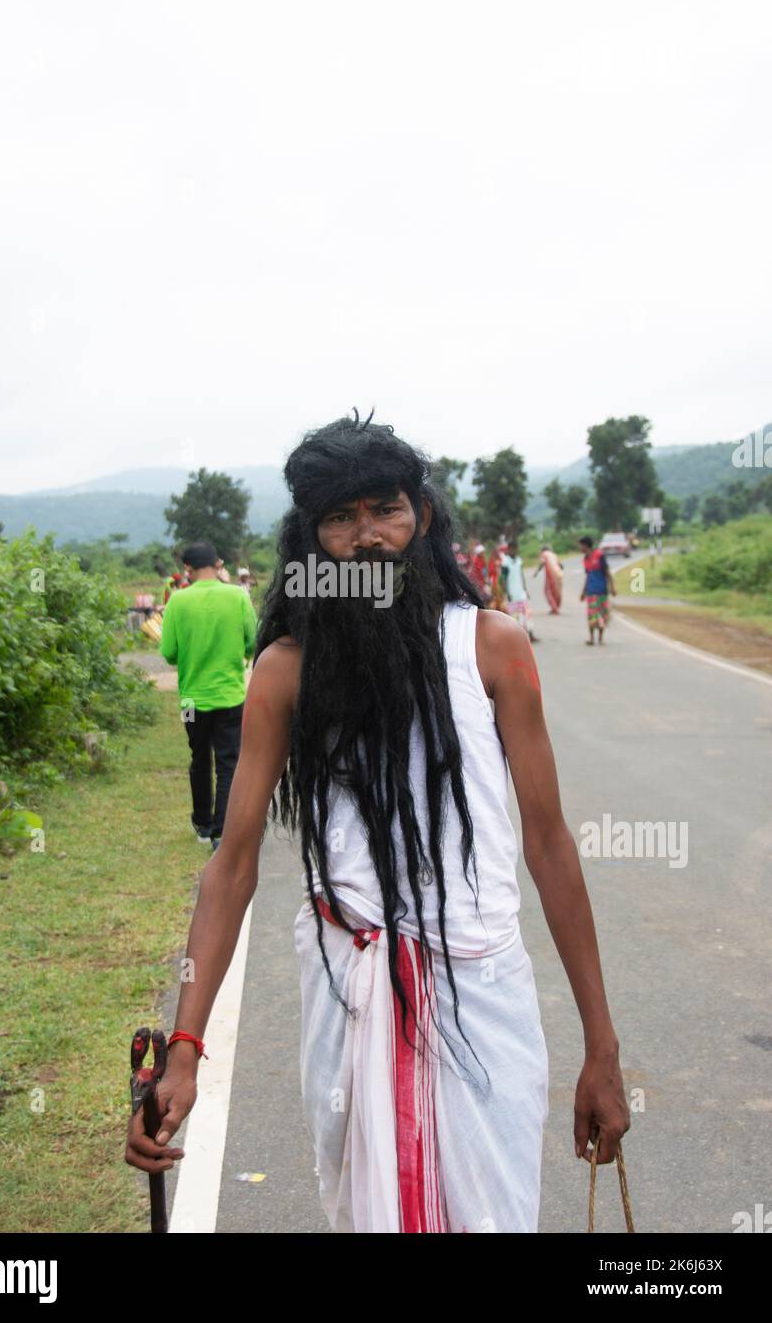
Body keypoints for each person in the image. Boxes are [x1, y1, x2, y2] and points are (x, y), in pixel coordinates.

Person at [126, 412, 630, 1233]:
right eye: (339, 517)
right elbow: (232, 863)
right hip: (347, 989)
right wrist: (185, 1045)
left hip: (483, 993)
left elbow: (549, 845)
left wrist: (602, 1050)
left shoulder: (494, 648)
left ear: (421, 517)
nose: (366, 538)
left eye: (384, 510)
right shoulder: (284, 671)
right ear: (310, 539)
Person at [159, 542, 258, 847]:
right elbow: (252, 643)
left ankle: (202, 823)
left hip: (191, 701)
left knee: (199, 758)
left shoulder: (177, 601)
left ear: (186, 568)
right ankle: (221, 831)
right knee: (229, 762)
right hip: (230, 696)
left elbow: (169, 653)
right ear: (218, 564)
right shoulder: (237, 596)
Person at [579, 536, 617, 646]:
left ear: (585, 545)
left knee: (602, 615)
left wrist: (612, 587)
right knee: (591, 615)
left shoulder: (599, 556)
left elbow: (607, 573)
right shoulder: (585, 560)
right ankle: (591, 638)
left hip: (602, 590)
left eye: (581, 545)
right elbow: (587, 576)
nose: (580, 548)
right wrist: (583, 592)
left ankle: (600, 638)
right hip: (591, 591)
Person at [500, 540, 537, 642]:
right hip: (512, 594)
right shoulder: (505, 562)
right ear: (509, 549)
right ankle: (517, 638)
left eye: (516, 549)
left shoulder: (519, 560)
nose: (515, 551)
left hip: (521, 593)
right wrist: (506, 593)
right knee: (514, 617)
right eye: (513, 549)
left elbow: (521, 575)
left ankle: (531, 634)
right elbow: (503, 579)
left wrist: (525, 589)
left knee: (527, 614)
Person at [534, 544, 564, 614]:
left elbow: (542, 563)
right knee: (557, 592)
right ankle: (556, 607)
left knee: (548, 592)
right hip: (559, 575)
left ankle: (555, 609)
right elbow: (561, 565)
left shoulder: (544, 554)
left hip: (550, 576)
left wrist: (536, 572)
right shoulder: (554, 555)